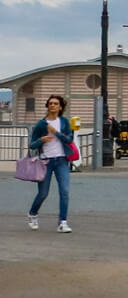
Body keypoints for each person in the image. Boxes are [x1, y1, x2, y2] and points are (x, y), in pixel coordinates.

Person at [26, 95, 76, 233]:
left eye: (56, 103)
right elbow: (32, 145)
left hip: (61, 160)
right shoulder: (41, 124)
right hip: (45, 162)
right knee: (43, 193)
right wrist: (41, 139)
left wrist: (56, 133)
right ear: (47, 106)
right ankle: (32, 214)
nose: (53, 105)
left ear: (60, 107)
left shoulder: (64, 122)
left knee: (65, 191)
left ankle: (62, 222)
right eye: (51, 103)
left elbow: (69, 139)